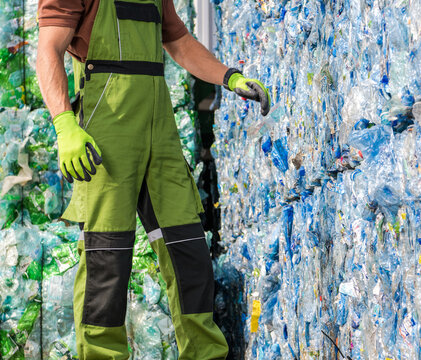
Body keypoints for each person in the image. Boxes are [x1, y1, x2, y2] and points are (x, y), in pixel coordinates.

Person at [36, 0, 270, 359]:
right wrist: (64, 125)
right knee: (107, 259)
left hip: (159, 130)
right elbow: (48, 49)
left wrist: (230, 77)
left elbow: (178, 41)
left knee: (188, 251)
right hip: (106, 127)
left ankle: (205, 354)